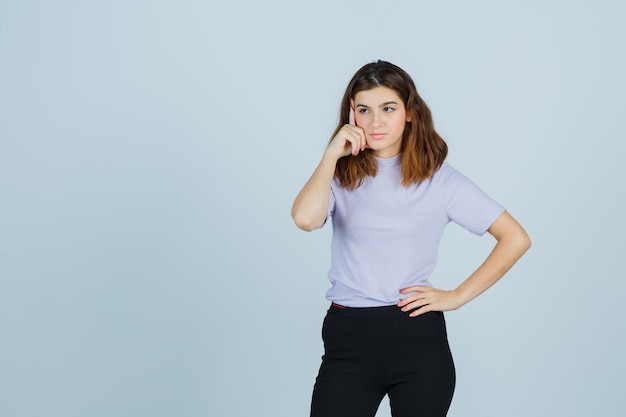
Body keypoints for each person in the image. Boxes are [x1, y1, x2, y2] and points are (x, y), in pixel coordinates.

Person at [291, 60, 531, 417]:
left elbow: (515, 238)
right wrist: (330, 155)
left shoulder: (440, 180)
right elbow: (306, 219)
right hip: (348, 336)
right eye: (363, 110)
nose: (375, 122)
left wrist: (458, 296)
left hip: (416, 338)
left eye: (388, 108)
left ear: (409, 114)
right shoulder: (339, 175)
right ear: (351, 115)